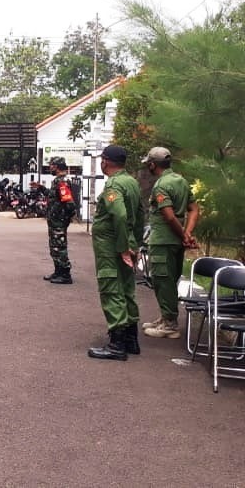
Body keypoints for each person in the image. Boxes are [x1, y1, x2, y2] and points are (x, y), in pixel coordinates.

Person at [87, 145, 144, 361]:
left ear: (106, 161)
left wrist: (121, 249)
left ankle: (117, 344)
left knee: (111, 288)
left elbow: (119, 215)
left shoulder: (113, 184)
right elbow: (139, 216)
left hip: (112, 246)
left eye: (102, 159)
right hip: (127, 242)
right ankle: (131, 340)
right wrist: (134, 244)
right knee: (127, 288)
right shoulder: (132, 182)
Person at [142, 147, 200, 339]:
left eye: (148, 164)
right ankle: (165, 316)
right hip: (175, 242)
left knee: (162, 280)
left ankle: (170, 325)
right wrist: (187, 233)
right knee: (170, 279)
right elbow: (194, 209)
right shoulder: (180, 181)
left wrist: (184, 234)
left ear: (152, 164)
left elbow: (168, 216)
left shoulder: (161, 185)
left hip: (163, 241)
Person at [44, 156, 78, 284]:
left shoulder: (62, 182)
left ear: (57, 166)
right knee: (54, 246)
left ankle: (65, 274)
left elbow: (68, 201)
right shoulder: (57, 181)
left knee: (60, 246)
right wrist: (41, 188)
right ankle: (58, 271)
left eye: (51, 165)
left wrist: (66, 219)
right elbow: (54, 197)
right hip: (55, 220)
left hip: (59, 221)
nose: (50, 167)